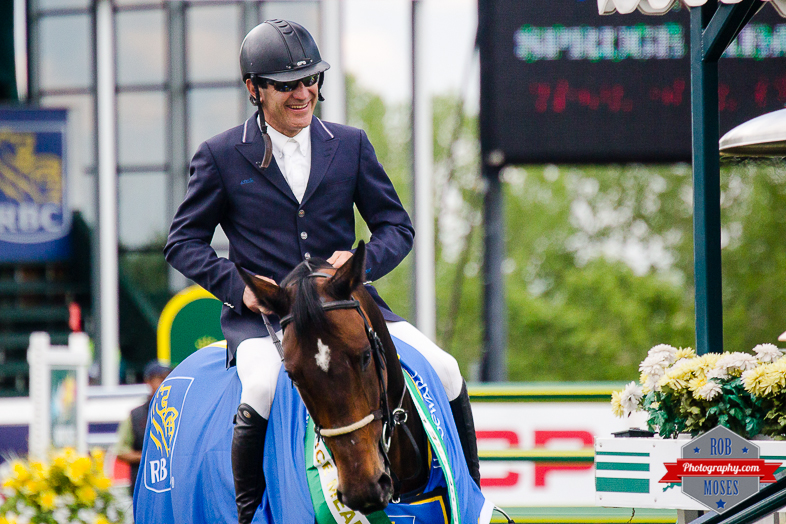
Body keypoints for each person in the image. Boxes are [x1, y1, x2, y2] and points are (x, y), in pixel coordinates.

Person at [163, 19, 480, 524]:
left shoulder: (349, 144)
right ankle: (250, 513)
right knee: (263, 386)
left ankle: (473, 499)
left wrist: (362, 264)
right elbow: (182, 242)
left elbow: (396, 226)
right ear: (254, 89)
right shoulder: (221, 155)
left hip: (345, 306)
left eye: (310, 80)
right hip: (269, 318)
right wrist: (240, 291)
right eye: (286, 85)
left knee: (445, 368)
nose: (302, 92)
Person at [115, 361, 172, 494]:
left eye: (168, 378)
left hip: (173, 487)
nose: (165, 383)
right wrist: (152, 456)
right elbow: (121, 452)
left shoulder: (180, 411)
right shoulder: (136, 415)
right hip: (143, 488)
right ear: (148, 381)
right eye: (161, 378)